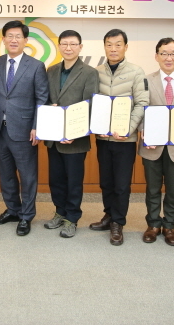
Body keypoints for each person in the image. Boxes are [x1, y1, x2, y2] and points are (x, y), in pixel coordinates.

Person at [0, 20, 49, 236]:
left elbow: (42, 98)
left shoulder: (36, 66)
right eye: (10, 36)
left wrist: (37, 126)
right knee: (6, 174)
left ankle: (26, 215)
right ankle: (12, 209)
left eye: (18, 36)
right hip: (1, 129)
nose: (14, 40)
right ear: (3, 39)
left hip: (24, 129)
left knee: (27, 176)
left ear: (25, 40)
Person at [89, 29, 149, 246]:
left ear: (126, 47)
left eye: (118, 44)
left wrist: (128, 129)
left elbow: (142, 103)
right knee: (106, 181)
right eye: (109, 44)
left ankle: (118, 222)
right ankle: (108, 215)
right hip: (103, 138)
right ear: (104, 46)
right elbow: (91, 103)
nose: (113, 49)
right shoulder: (96, 72)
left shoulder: (136, 72)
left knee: (122, 184)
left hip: (125, 140)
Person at [138, 38, 174, 246]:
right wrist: (142, 130)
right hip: (151, 145)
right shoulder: (145, 80)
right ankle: (153, 224)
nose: (169, 58)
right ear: (156, 56)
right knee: (152, 188)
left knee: (173, 189)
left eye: (173, 53)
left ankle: (170, 225)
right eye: (164, 53)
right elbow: (139, 109)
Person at [43, 30, 99, 238]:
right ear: (59, 46)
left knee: (73, 181)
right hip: (54, 136)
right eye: (64, 44)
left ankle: (72, 218)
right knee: (56, 179)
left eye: (73, 44)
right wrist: (49, 106)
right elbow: (45, 98)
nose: (68, 48)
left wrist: (75, 131)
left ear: (80, 47)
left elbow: (90, 104)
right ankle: (60, 212)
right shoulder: (51, 70)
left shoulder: (89, 72)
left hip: (75, 139)